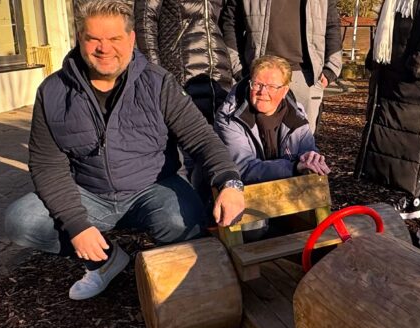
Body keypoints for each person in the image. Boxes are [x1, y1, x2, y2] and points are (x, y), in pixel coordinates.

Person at [4, 0, 246, 301]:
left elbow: (201, 138)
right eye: (94, 38)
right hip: (90, 192)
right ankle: (103, 263)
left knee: (187, 223)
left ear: (131, 39)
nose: (104, 48)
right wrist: (77, 225)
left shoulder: (158, 82)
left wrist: (230, 181)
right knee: (21, 220)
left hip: (154, 188)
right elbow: (46, 164)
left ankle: (175, 279)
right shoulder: (53, 92)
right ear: (80, 38)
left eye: (115, 38)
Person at [354, 0, 420, 250]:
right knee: (402, 145)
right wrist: (376, 59)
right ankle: (411, 201)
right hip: (392, 77)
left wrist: (417, 66)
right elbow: (390, 28)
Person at [215, 55, 329, 238]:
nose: (262, 91)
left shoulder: (296, 115)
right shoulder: (229, 118)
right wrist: (294, 166)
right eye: (257, 84)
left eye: (271, 87)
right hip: (244, 191)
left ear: (284, 90)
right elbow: (243, 168)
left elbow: (306, 148)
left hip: (283, 190)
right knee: (253, 226)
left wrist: (312, 158)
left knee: (315, 211)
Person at [231, 0, 343, 132]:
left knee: (303, 144)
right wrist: (238, 67)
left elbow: (332, 25)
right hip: (261, 77)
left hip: (306, 77)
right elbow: (231, 22)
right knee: (257, 140)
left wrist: (331, 68)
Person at [134, 0, 239, 125]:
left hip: (219, 70)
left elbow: (227, 22)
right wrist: (155, 71)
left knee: (218, 131)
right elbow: (145, 22)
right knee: (185, 129)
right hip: (180, 66)